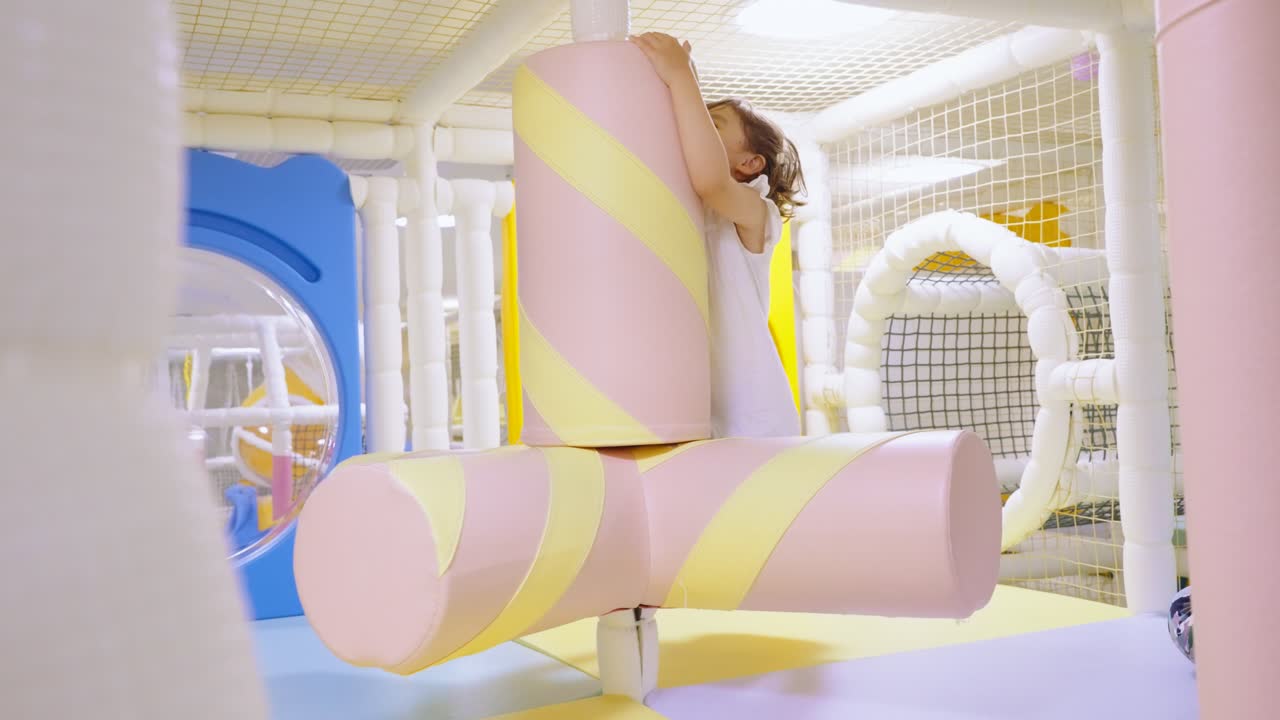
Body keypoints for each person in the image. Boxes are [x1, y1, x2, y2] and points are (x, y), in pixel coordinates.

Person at [632, 31, 804, 438]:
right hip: (697, 414)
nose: (697, 125)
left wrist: (683, 78)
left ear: (749, 163)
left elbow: (710, 179)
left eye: (713, 122)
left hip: (755, 416)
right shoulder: (682, 207)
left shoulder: (753, 211)